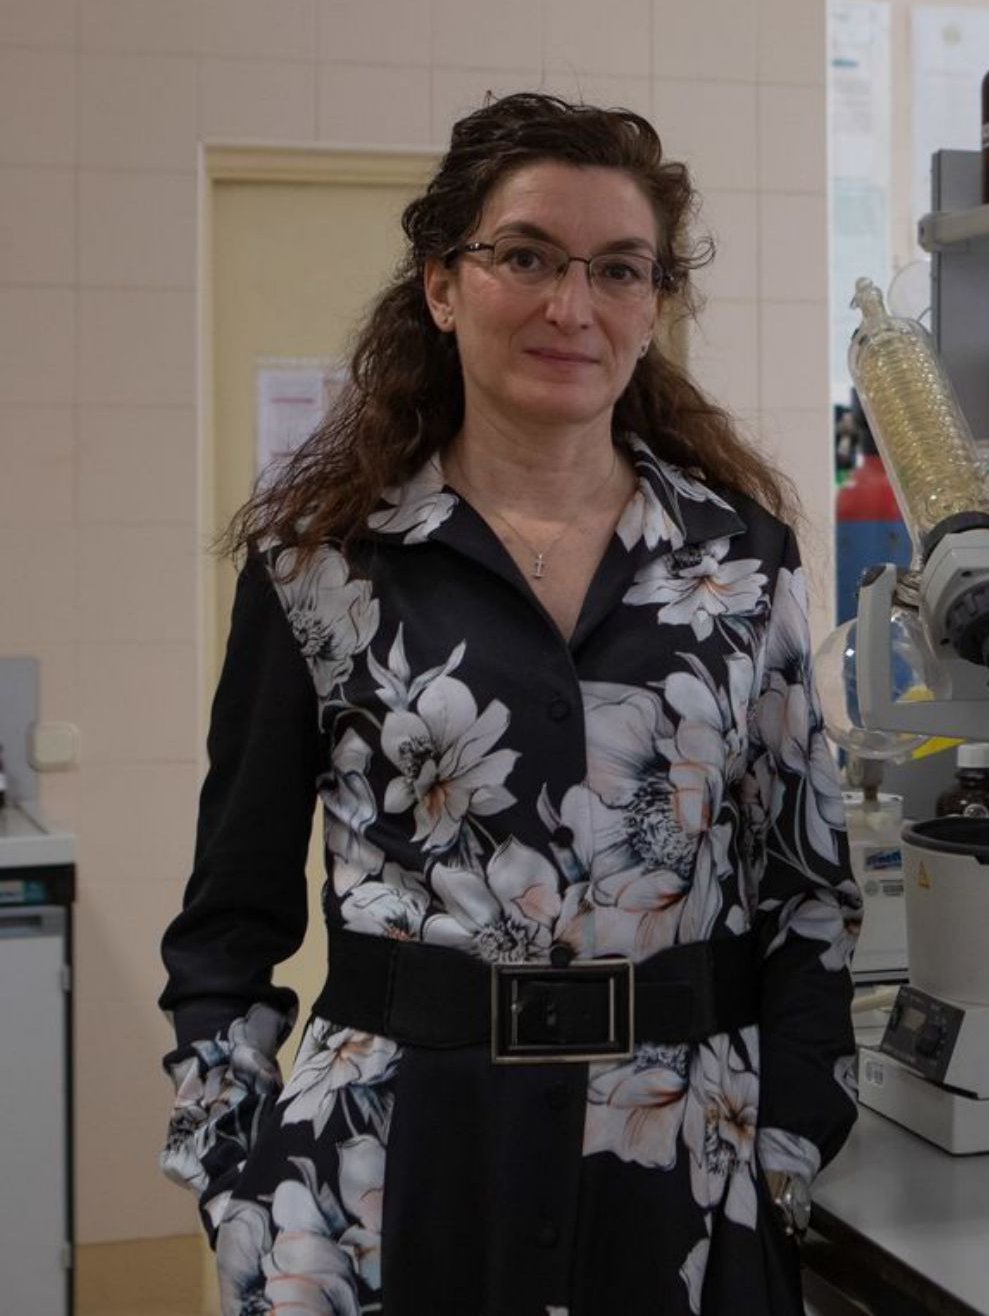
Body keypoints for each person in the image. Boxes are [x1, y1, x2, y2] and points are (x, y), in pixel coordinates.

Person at [158, 93, 861, 1316]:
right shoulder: (321, 564)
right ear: (441, 282)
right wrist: (235, 1167)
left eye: (618, 269)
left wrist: (788, 1134)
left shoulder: (740, 563)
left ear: (654, 304)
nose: (569, 305)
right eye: (525, 255)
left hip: (678, 1160)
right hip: (382, 1173)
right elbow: (229, 916)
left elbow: (807, 887)